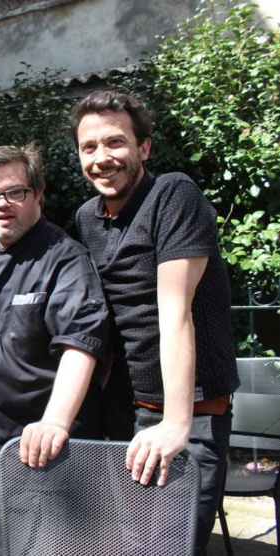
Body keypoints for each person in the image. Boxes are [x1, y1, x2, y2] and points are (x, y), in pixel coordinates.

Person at [71, 90, 239, 555]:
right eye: (89, 148)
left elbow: (174, 311)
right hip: (122, 413)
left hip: (189, 414)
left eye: (115, 143)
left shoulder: (173, 194)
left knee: (165, 547)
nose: (102, 158)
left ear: (143, 147)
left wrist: (175, 422)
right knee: (121, 545)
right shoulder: (87, 217)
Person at [0, 144, 110, 556]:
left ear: (38, 194)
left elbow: (81, 345)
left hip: (49, 460)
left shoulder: (65, 259)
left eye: (14, 192)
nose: (1, 204)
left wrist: (55, 423)